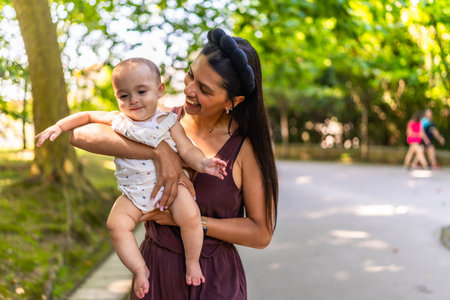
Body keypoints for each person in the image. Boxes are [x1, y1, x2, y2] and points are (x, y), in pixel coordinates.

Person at [70, 28, 278, 299]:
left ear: (233, 101)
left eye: (204, 89)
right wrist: (159, 152)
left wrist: (191, 221)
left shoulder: (244, 149)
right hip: (155, 270)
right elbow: (77, 135)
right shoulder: (160, 120)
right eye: (191, 75)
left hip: (214, 280)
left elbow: (261, 233)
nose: (189, 89)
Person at [35, 57, 228, 299]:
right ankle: (139, 269)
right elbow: (85, 117)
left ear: (159, 91)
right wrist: (58, 127)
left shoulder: (167, 122)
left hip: (170, 187)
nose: (133, 100)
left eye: (141, 91)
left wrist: (204, 163)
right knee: (115, 225)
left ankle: (192, 262)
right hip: (134, 192)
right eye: (123, 95)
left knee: (190, 216)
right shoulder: (119, 120)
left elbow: (188, 150)